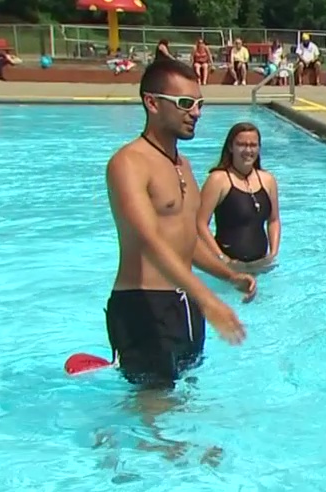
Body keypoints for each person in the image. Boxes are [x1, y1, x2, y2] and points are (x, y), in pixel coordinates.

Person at [105, 58, 256, 391]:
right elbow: (151, 242)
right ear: (152, 103)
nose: (196, 112)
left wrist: (228, 276)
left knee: (184, 400)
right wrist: (209, 298)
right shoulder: (128, 163)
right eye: (186, 103)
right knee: (153, 408)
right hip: (143, 305)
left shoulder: (182, 164)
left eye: (200, 104)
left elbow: (186, 240)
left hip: (184, 304)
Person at [196, 122, 280, 272]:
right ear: (230, 147)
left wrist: (273, 254)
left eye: (253, 145)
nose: (248, 150)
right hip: (228, 267)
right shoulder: (218, 180)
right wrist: (222, 258)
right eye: (241, 144)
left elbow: (274, 220)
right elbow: (200, 224)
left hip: (261, 265)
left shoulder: (268, 180)